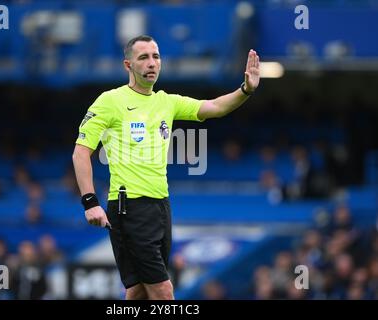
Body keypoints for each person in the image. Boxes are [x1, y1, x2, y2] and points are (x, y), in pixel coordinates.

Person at [72, 35, 260, 300]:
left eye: (156, 56)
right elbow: (81, 153)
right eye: (144, 58)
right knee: (162, 290)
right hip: (130, 207)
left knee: (137, 291)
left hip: (161, 206)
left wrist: (246, 90)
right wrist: (90, 202)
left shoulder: (167, 102)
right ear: (128, 65)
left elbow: (215, 107)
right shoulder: (110, 101)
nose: (152, 63)